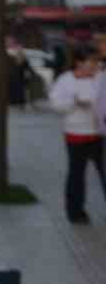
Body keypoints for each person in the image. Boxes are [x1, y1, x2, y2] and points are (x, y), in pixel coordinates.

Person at [49, 45, 106, 224]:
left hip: (100, 133)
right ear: (78, 63)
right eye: (91, 62)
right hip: (76, 133)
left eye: (96, 62)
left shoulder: (101, 78)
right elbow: (56, 104)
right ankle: (76, 212)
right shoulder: (65, 80)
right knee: (76, 174)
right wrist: (74, 103)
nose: (95, 65)